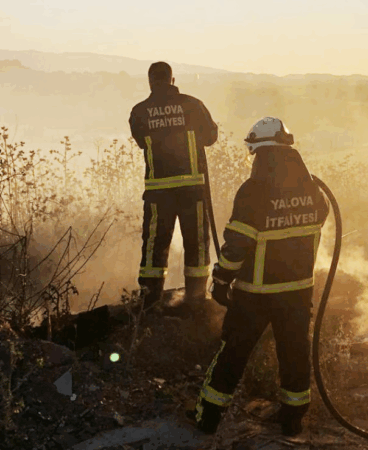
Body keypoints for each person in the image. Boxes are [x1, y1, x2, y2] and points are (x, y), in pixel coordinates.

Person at [187, 117, 329, 437]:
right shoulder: (313, 188)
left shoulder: (254, 190)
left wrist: (221, 280)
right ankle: (292, 421)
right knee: (294, 353)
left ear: (260, 150)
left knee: (233, 353)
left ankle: (207, 417)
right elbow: (316, 221)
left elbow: (237, 243)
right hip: (298, 289)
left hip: (256, 292)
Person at [128, 62, 218, 315]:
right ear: (172, 79)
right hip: (193, 191)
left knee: (154, 245)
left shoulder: (140, 111)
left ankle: (150, 300)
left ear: (150, 81)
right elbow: (211, 137)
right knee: (197, 244)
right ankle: (196, 299)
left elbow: (140, 141)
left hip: (159, 192)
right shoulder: (192, 105)